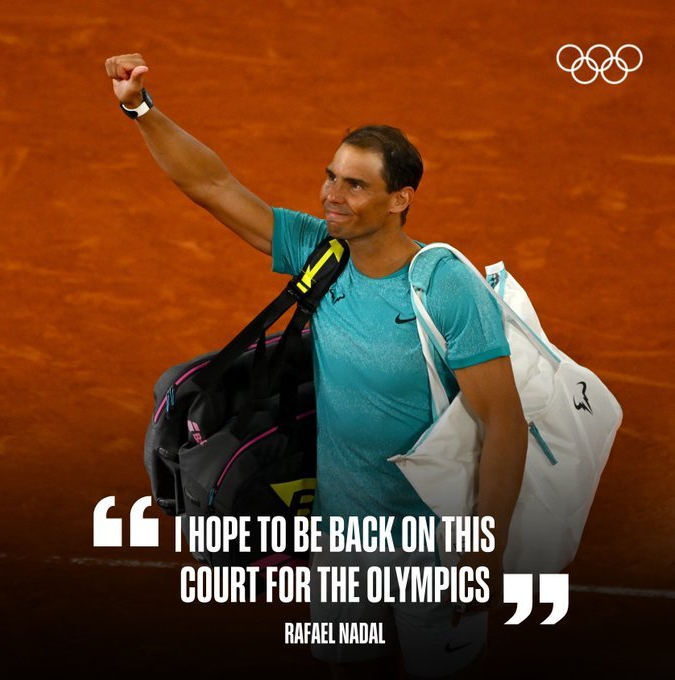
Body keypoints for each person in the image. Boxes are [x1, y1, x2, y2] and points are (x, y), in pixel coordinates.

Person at [105, 53, 529, 680]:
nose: (331, 194)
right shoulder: (322, 253)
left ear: (400, 199)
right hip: (341, 539)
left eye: (355, 185)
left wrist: (482, 551)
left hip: (435, 548)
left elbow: (505, 423)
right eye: (331, 176)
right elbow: (213, 186)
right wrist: (140, 108)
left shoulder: (444, 286)